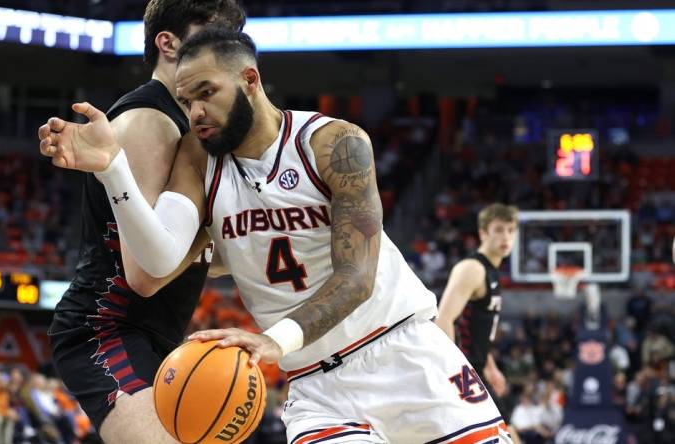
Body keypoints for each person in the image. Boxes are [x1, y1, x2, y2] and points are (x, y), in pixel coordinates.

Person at [39, 28, 510, 443]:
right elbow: (160, 260)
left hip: (403, 354)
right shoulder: (198, 157)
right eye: (186, 102)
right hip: (316, 387)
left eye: (207, 92)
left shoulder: (333, 142)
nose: (197, 112)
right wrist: (113, 170)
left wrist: (273, 341)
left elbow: (357, 276)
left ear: (250, 80)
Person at [42, 1, 245, 443]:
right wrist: (208, 233)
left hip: (155, 332)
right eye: (211, 34)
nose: (223, 48)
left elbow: (190, 255)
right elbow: (146, 273)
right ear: (167, 43)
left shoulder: (191, 126)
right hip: (106, 327)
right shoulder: (151, 121)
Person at [434, 203, 520, 442]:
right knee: (506, 434)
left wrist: (490, 366)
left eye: (511, 230)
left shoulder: (492, 272)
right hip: (463, 371)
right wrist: (453, 373)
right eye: (499, 230)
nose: (506, 237)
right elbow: (444, 319)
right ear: (483, 233)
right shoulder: (472, 268)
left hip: (476, 368)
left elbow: (476, 329)